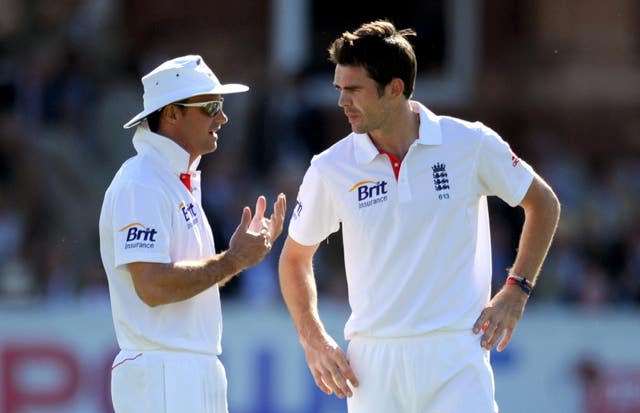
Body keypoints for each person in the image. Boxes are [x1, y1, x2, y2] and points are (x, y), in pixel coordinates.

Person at [278, 20, 560, 413]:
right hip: (372, 367)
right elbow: (294, 258)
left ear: (395, 89)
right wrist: (313, 339)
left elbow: (543, 203)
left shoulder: (469, 142)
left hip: (456, 357)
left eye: (354, 90)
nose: (342, 101)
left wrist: (517, 289)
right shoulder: (330, 167)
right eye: (339, 89)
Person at [99, 54, 286, 413]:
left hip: (187, 369)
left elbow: (188, 281)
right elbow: (152, 286)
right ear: (170, 114)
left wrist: (239, 260)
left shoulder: (171, 180)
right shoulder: (141, 182)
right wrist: (233, 259)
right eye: (211, 107)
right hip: (164, 374)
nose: (223, 117)